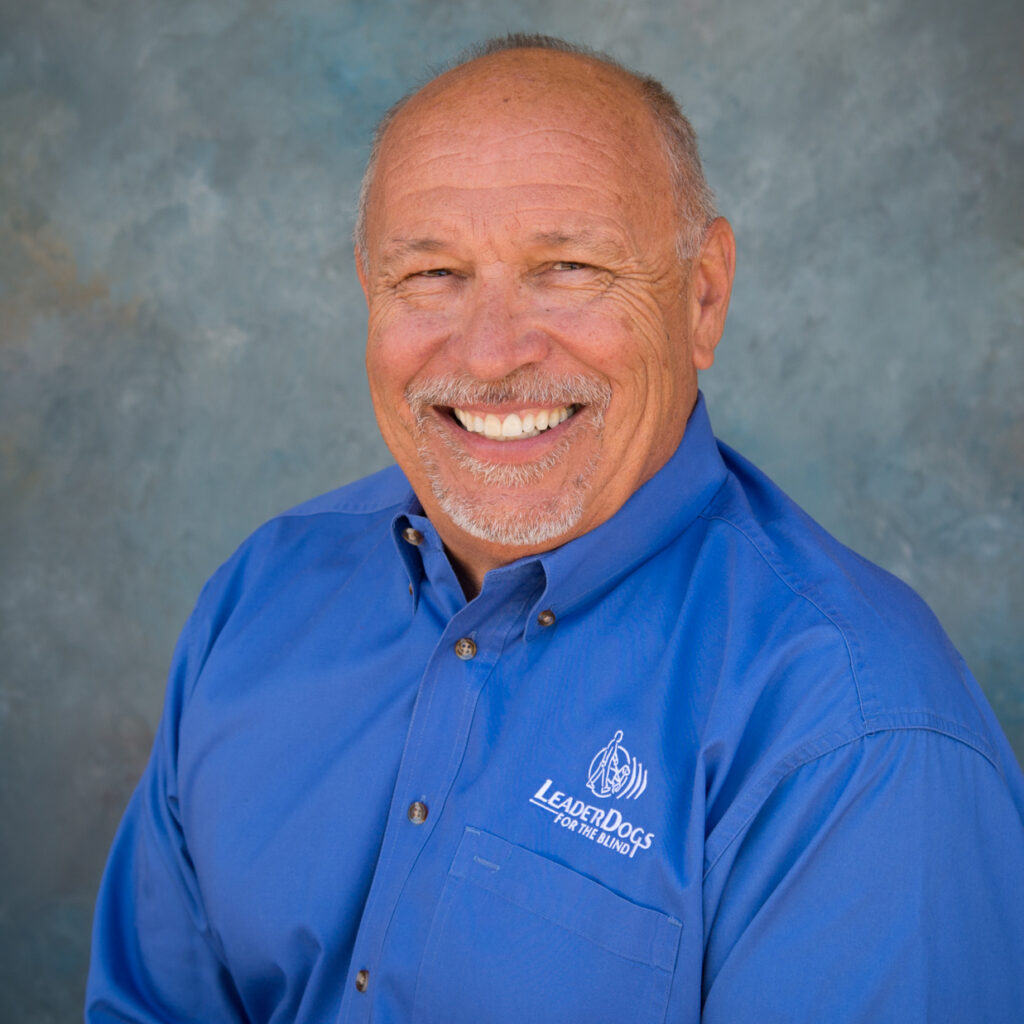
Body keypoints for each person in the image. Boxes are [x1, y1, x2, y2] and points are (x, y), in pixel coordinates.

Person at [86, 34, 1024, 1023]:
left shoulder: (855, 734)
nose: (491, 354)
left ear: (700, 297)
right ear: (369, 288)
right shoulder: (263, 596)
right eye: (433, 274)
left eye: (567, 266)